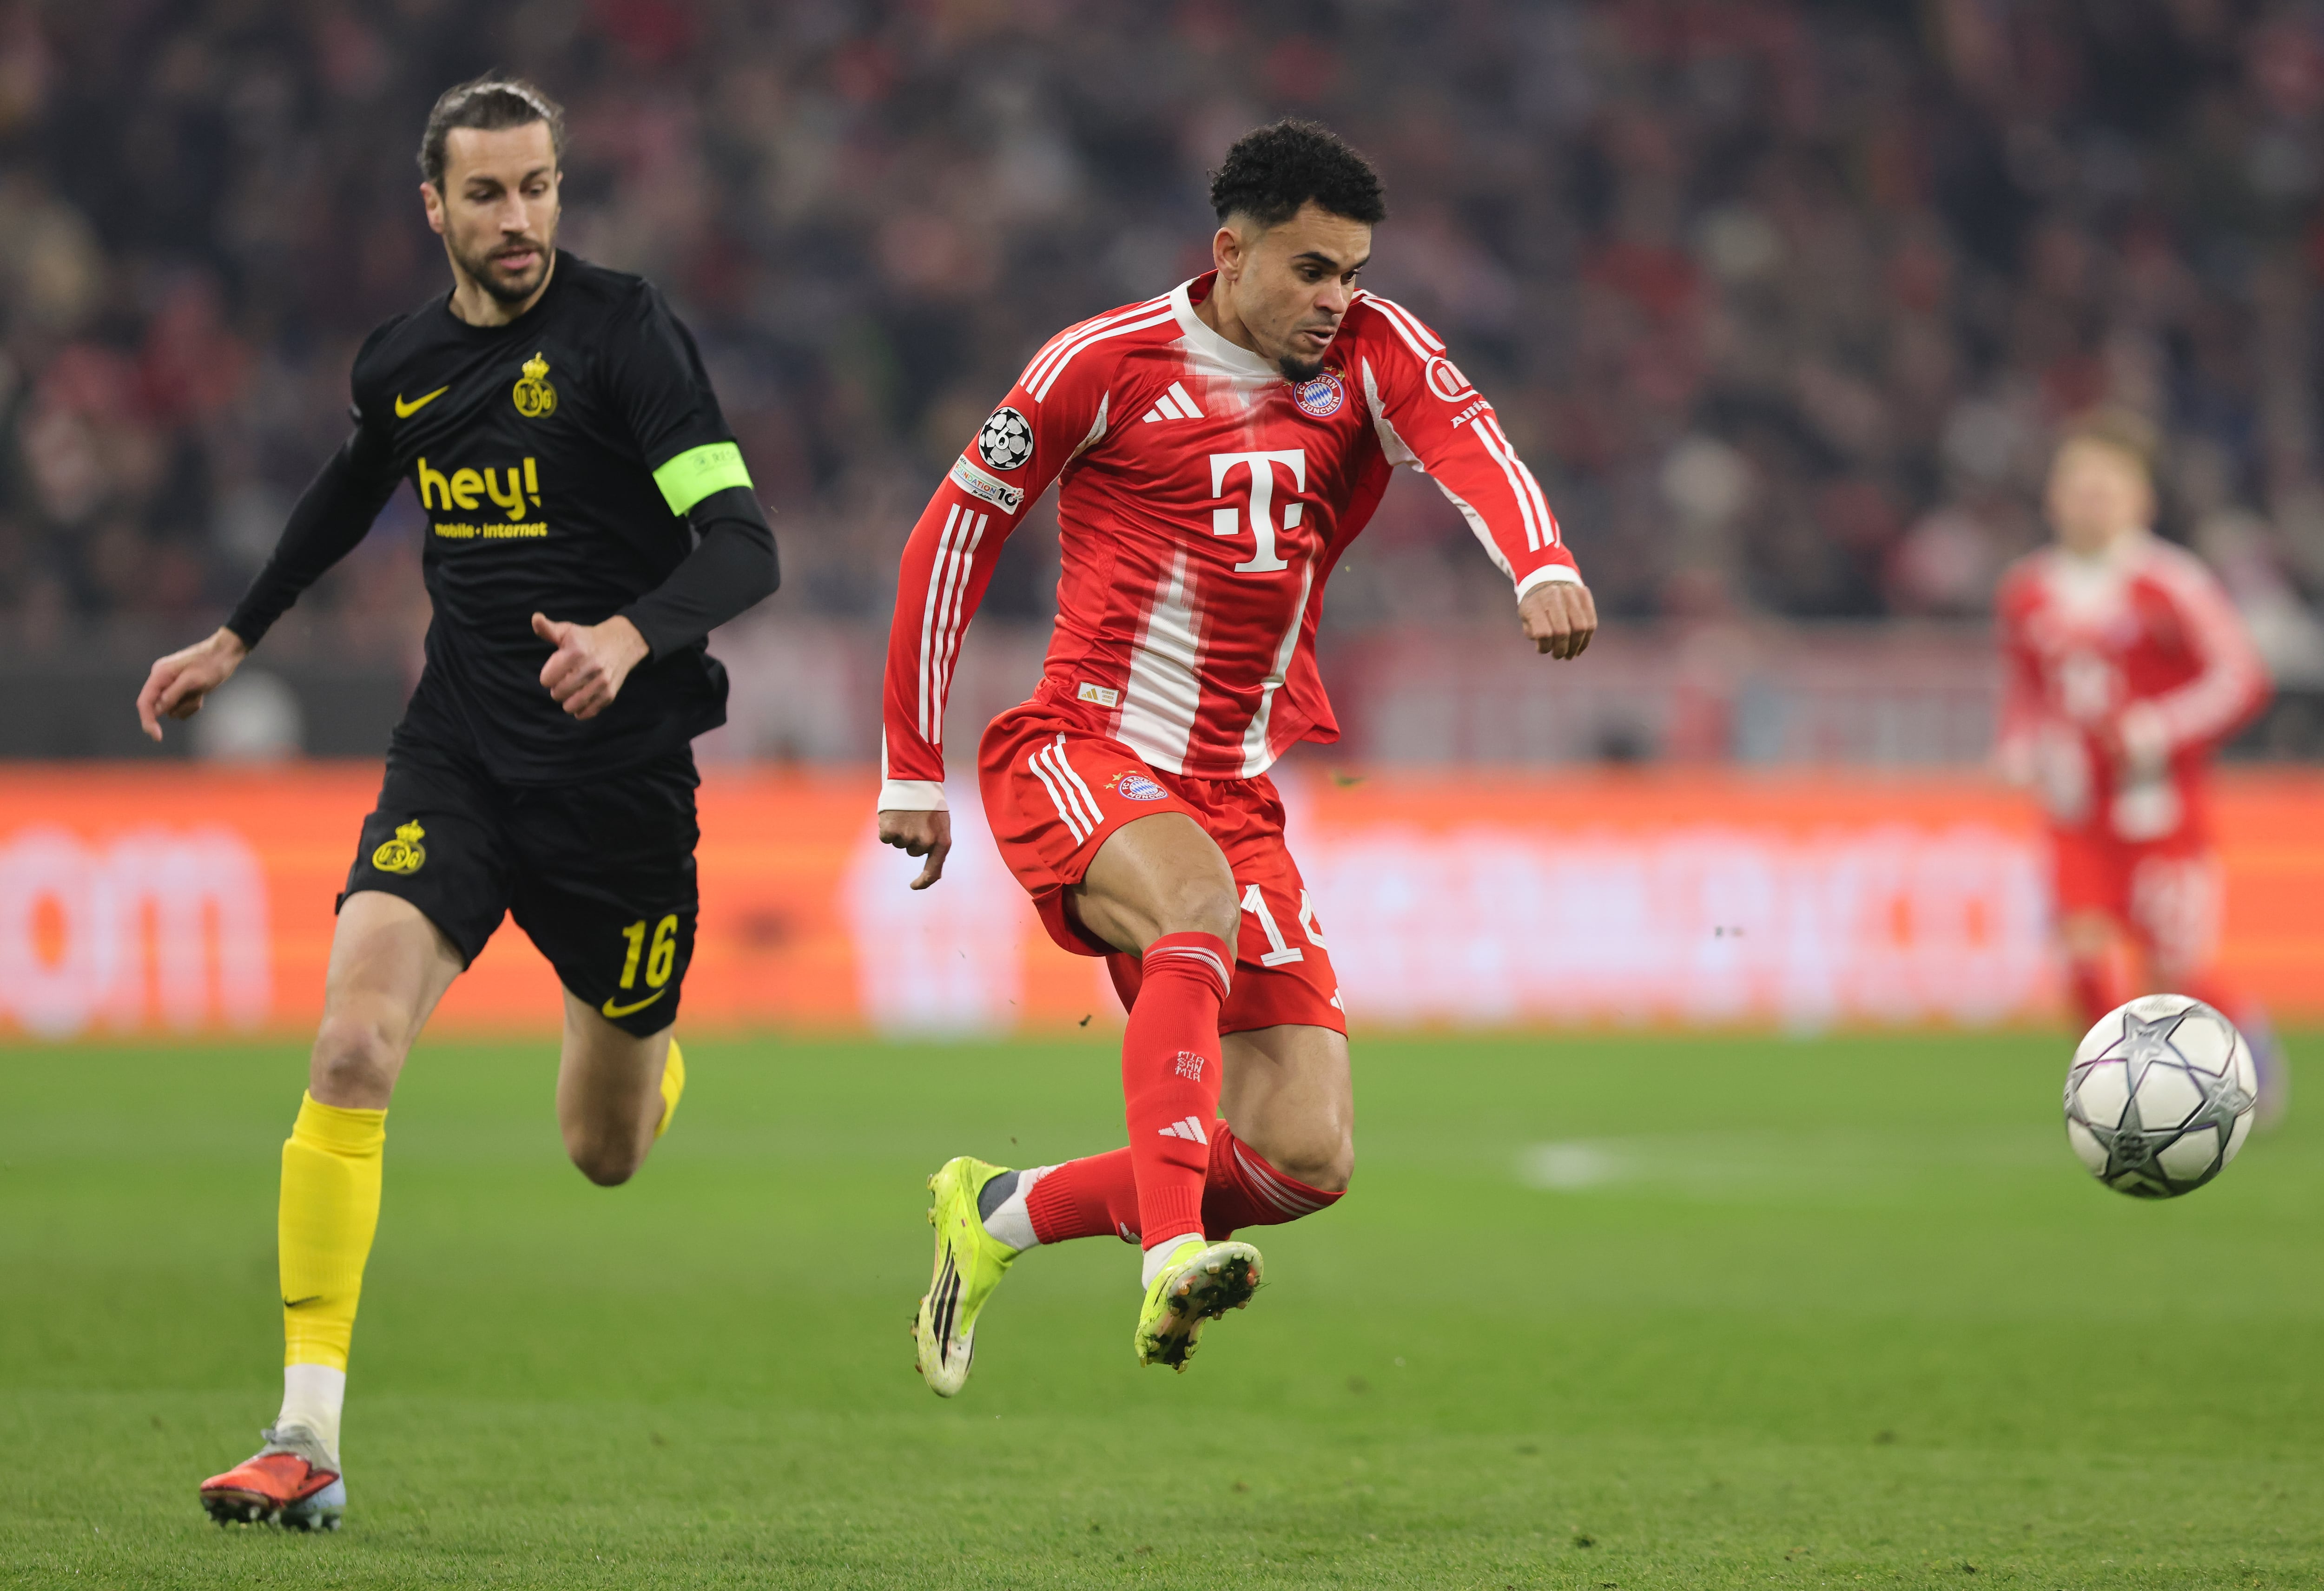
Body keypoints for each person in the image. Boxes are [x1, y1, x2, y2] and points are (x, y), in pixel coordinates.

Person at [134, 77, 779, 1528]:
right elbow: (351, 487)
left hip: (619, 793)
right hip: (462, 762)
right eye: (487, 195)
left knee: (604, 1151)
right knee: (353, 1041)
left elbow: (744, 545)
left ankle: (642, 1045)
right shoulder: (404, 363)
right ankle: (306, 1434)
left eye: (539, 187)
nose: (519, 220)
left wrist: (631, 635)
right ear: (433, 207)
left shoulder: (628, 337)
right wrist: (239, 634)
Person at [875, 119, 1596, 1393]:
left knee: (1304, 1153)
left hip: (1232, 790)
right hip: (1079, 748)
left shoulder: (1374, 350)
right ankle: (1168, 1258)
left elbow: (1466, 434)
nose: (1339, 299)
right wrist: (910, 765)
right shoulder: (1102, 362)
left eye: (1355, 271)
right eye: (1314, 270)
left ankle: (999, 1214)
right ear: (1232, 252)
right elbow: (952, 536)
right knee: (1192, 900)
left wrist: (1539, 557)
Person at [1996, 410, 2282, 1108]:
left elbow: (2242, 679)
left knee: (2175, 979)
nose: (2091, 496)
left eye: (2108, 483)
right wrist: (2019, 744)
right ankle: (2123, 1103)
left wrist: (2156, 728)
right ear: (2053, 495)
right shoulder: (2028, 589)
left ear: (2140, 498)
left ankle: (2249, 1045)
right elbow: (2028, 690)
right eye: (2078, 481)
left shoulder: (2173, 583)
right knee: (2083, 959)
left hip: (2161, 814)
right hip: (2076, 814)